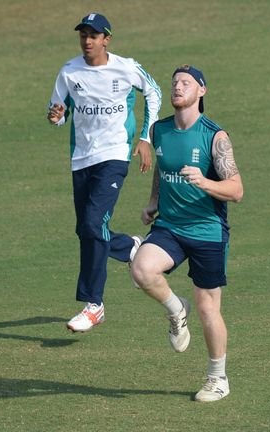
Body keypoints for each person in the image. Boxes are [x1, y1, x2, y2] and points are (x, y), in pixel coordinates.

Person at [130, 65, 244, 402]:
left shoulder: (215, 136)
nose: (178, 87)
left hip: (207, 231)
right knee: (141, 269)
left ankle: (217, 378)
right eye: (175, 83)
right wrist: (153, 201)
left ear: (202, 91)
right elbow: (163, 170)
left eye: (186, 83)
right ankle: (175, 308)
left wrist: (205, 181)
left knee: (208, 307)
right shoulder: (160, 130)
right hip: (170, 226)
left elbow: (237, 190)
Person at [47, 13, 162, 332]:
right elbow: (58, 112)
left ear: (106, 39)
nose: (87, 40)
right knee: (87, 228)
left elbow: (153, 92)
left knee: (93, 222)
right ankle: (129, 248)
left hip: (114, 154)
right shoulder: (69, 72)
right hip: (81, 158)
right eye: (83, 35)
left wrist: (144, 137)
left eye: (93, 35)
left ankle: (94, 305)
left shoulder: (125, 67)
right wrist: (56, 116)